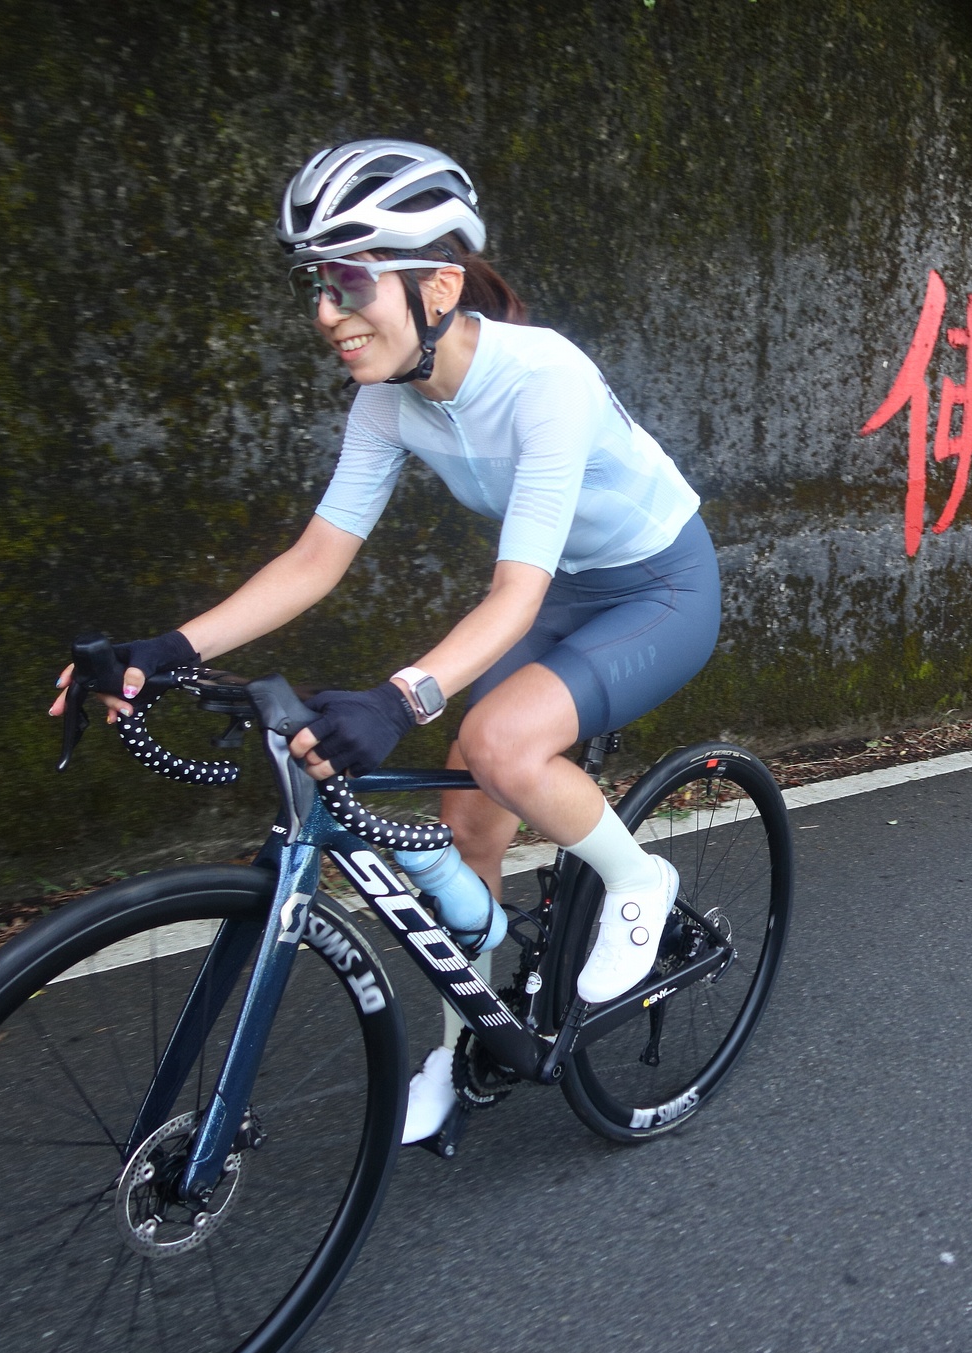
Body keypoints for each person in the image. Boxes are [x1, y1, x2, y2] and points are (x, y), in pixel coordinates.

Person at [50, 139, 721, 1142]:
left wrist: (400, 697)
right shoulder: (387, 400)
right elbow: (316, 558)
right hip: (560, 594)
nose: (328, 312)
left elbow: (512, 592)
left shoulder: (546, 379)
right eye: (318, 286)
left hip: (661, 587)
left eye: (351, 282)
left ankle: (637, 878)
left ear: (438, 285)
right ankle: (463, 1042)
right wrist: (165, 650)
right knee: (468, 827)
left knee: (497, 745)